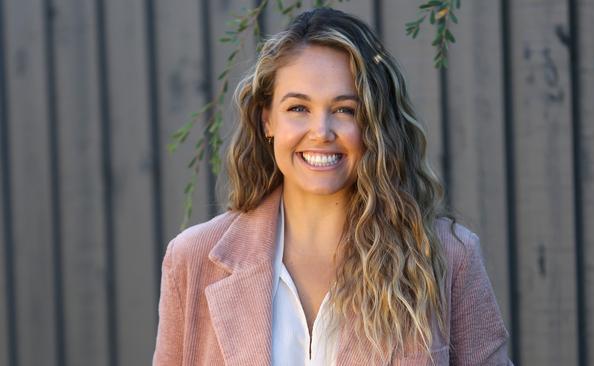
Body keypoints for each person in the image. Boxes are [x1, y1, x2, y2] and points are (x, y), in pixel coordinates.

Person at [152, 7, 512, 366]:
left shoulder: (448, 257)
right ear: (267, 120)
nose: (321, 132)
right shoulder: (193, 258)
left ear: (375, 123)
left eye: (345, 110)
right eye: (298, 108)